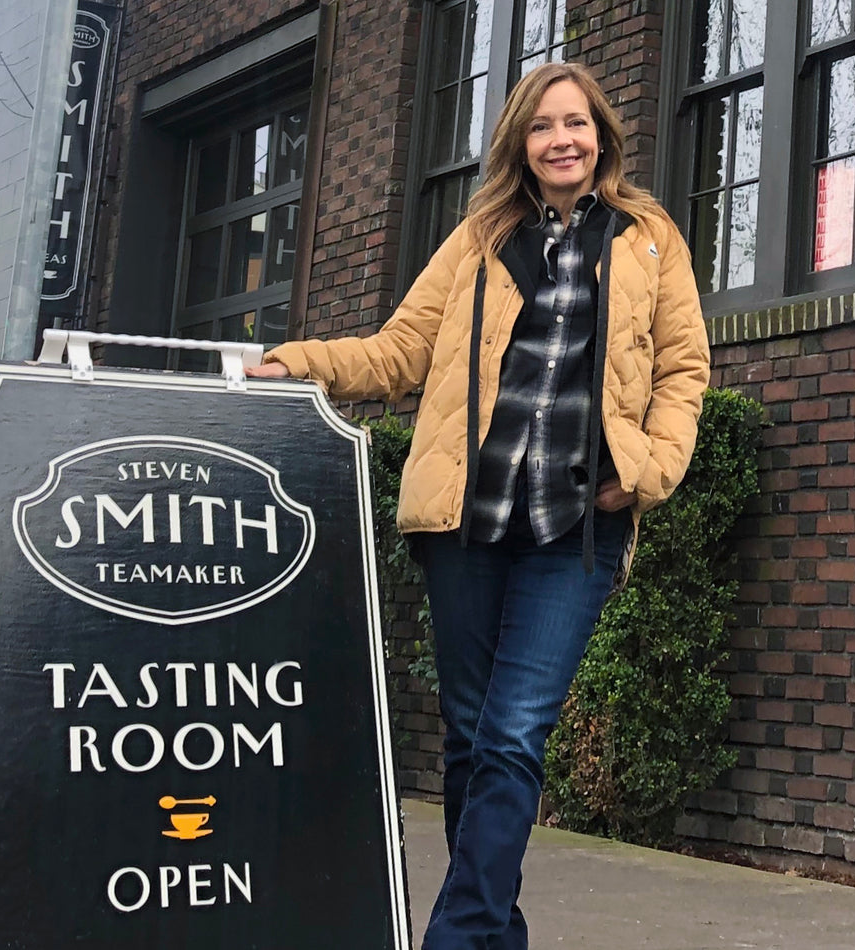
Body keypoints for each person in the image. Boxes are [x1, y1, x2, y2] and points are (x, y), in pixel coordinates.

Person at [246, 61, 709, 950]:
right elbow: (400, 352)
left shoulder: (651, 238)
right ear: (520, 146)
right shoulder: (479, 238)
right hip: (467, 524)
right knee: (468, 740)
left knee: (512, 734)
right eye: (542, 127)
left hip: (576, 527)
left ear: (602, 135)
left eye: (576, 123)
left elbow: (685, 370)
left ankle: (454, 937)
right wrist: (301, 362)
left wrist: (648, 468)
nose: (562, 139)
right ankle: (494, 933)